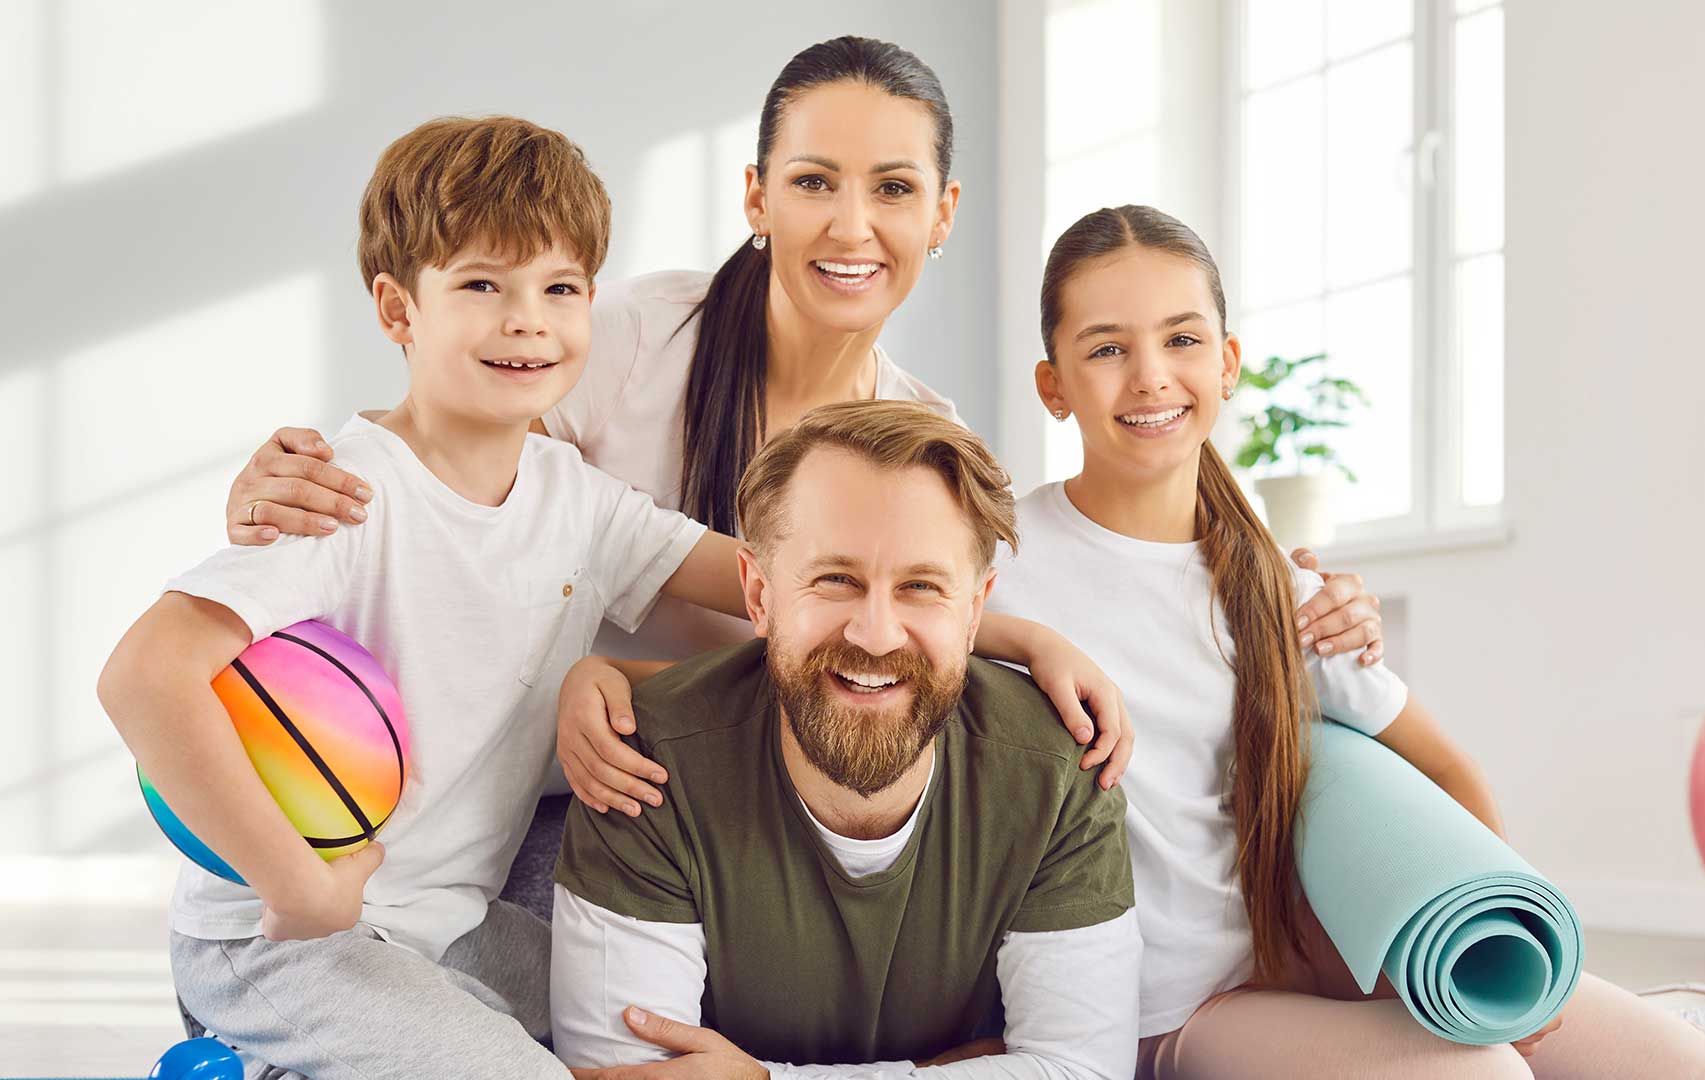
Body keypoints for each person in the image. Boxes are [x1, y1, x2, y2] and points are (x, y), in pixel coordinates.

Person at [210, 37, 1388, 832]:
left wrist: (1296, 608)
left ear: (942, 215)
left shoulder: (922, 436)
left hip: (738, 808)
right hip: (507, 791)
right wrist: (285, 486)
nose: (853, 224)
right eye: (816, 181)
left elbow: (939, 629)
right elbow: (440, 468)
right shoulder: (629, 334)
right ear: (757, 198)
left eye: (892, 188)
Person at [987, 203, 1705, 1078]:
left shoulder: (1286, 589)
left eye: (1183, 340)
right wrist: (1022, 637)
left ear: (1228, 364)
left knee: (1689, 1071)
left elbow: (1444, 768)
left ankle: (1665, 1021)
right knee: (1487, 1076)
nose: (1151, 377)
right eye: (1106, 348)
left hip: (1324, 965)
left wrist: (1505, 957)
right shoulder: (997, 554)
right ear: (1053, 385)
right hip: (1174, 1015)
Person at [95, 115, 757, 1080]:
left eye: (560, 287)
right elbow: (142, 676)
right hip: (282, 942)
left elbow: (773, 588)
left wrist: (1004, 631)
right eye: (484, 284)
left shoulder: (580, 502)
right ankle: (260, 1057)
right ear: (399, 310)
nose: (528, 317)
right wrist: (296, 886)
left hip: (452, 927)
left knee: (669, 1007)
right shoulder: (345, 493)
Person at [550, 401, 1140, 1079]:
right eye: (835, 580)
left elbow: (1082, 1072)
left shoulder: (1057, 767)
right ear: (759, 594)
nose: (876, 634)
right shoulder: (637, 763)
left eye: (921, 586)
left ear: (976, 610)